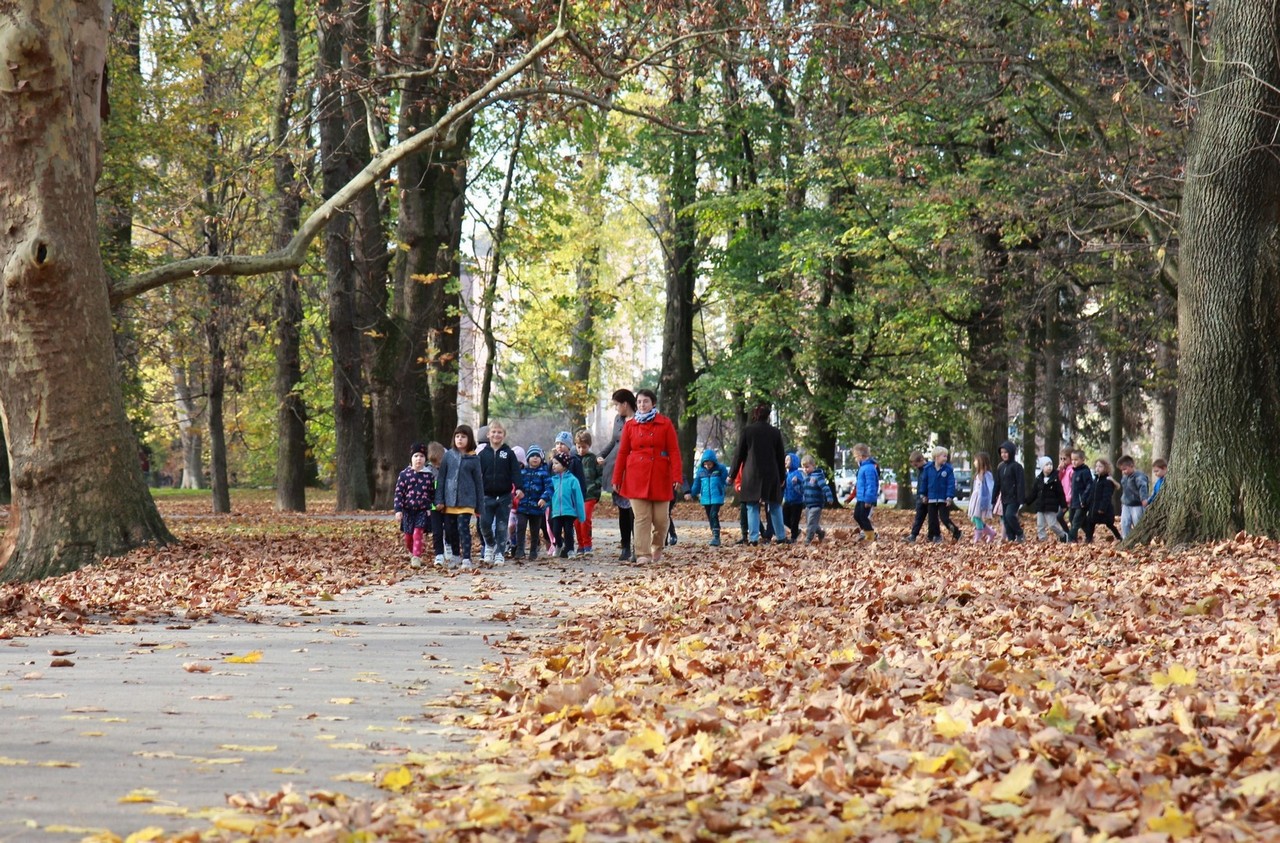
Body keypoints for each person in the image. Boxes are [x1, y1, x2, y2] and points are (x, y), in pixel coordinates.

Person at [611, 388, 683, 564]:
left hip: (660, 476)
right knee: (642, 518)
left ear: (653, 403)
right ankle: (643, 553)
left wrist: (677, 476)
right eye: (639, 402)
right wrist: (617, 478)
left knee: (661, 520)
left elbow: (674, 451)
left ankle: (657, 546)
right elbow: (622, 453)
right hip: (636, 476)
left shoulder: (665, 423)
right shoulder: (630, 425)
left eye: (646, 401)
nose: (642, 405)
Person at [729, 402, 788, 546]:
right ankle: (781, 537)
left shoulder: (747, 431)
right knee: (774, 505)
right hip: (771, 473)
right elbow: (781, 457)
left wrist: (732, 474)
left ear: (755, 415)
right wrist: (782, 476)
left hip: (751, 473)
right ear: (768, 416)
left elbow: (739, 455)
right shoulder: (775, 432)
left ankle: (753, 538)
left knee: (752, 506)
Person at [436, 425, 484, 570]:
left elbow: (478, 482)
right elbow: (441, 478)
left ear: (469, 439)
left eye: (463, 437)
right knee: (451, 530)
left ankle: (467, 558)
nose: (460, 439)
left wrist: (480, 506)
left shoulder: (474, 458)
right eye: (457, 436)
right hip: (450, 500)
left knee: (463, 528)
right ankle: (455, 555)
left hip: (467, 501)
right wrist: (439, 500)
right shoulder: (448, 456)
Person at [598, 389, 637, 560]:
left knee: (635, 510)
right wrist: (601, 455)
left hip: (633, 469)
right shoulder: (618, 420)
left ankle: (638, 547)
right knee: (623, 510)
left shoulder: (639, 419)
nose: (616, 408)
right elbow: (614, 442)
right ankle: (625, 546)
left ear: (625, 404)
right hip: (616, 468)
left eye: (617, 405)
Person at [477, 420, 517, 566]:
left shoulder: (509, 453)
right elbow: (476, 474)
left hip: (504, 496)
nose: (496, 435)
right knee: (484, 524)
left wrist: (519, 488)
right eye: (493, 432)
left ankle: (500, 553)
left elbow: (515, 472)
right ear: (488, 434)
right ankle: (490, 545)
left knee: (501, 526)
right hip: (486, 496)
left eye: (499, 432)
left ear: (504, 435)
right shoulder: (482, 454)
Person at [393, 442, 435, 569]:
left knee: (418, 533)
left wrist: (430, 507)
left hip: (422, 510)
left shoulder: (429, 475)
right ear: (411, 458)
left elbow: (432, 493)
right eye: (416, 456)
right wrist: (398, 510)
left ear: (425, 459)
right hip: (408, 510)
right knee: (408, 536)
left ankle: (416, 557)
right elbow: (399, 493)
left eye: (422, 456)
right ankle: (413, 552)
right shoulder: (404, 475)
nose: (419, 459)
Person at [513, 446, 551, 560]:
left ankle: (533, 550)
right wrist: (517, 492)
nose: (535, 458)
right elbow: (517, 485)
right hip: (522, 506)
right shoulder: (522, 472)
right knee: (521, 527)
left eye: (537, 456)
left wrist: (544, 498)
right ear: (528, 458)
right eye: (532, 456)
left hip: (537, 507)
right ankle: (520, 549)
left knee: (535, 530)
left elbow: (549, 488)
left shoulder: (543, 473)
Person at [548, 453, 586, 558]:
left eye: (556, 463)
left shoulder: (572, 480)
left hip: (569, 511)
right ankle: (559, 545)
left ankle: (570, 550)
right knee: (556, 531)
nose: (553, 466)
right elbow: (548, 495)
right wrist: (544, 503)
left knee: (568, 531)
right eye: (553, 463)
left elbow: (578, 498)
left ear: (564, 465)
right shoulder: (552, 480)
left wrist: (581, 514)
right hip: (556, 511)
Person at [920, 446, 962, 543]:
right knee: (932, 519)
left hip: (943, 498)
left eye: (946, 456)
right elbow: (924, 482)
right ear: (937, 457)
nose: (945, 458)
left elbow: (950, 484)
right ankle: (934, 535)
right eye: (944, 456)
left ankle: (956, 532)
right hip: (931, 498)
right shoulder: (928, 469)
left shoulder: (948, 470)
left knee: (944, 518)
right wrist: (923, 494)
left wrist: (949, 497)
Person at [688, 448, 729, 546]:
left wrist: (728, 481)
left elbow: (726, 480)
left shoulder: (720, 469)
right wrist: (691, 493)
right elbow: (697, 484)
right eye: (706, 464)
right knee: (710, 516)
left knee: (713, 514)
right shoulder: (701, 471)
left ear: (714, 462)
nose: (707, 466)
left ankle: (716, 536)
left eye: (709, 464)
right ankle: (714, 533)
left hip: (717, 497)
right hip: (706, 498)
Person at [1026, 456, 1068, 541]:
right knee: (1040, 525)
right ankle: (1043, 539)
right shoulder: (1039, 479)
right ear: (1042, 467)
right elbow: (1034, 492)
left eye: (1051, 464)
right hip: (1040, 506)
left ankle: (1063, 535)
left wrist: (1063, 505)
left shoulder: (1055, 479)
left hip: (1050, 506)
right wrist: (1027, 501)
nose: (1049, 466)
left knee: (1052, 524)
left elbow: (1060, 493)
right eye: (1047, 465)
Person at [574, 431, 602, 556]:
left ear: (589, 446)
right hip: (576, 495)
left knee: (585, 519)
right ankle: (580, 545)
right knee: (576, 521)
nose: (581, 450)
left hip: (590, 494)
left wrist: (595, 485)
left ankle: (587, 545)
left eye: (584, 447)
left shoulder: (593, 459)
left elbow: (600, 475)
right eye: (579, 447)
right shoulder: (573, 460)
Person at [993, 440, 1025, 542]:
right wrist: (994, 497)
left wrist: (1021, 499)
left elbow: (1020, 483)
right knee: (1006, 520)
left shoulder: (1017, 467)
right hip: (1004, 497)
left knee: (1010, 515)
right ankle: (1011, 538)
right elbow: (997, 483)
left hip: (1014, 498)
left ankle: (1020, 533)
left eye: (1006, 452)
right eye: (1002, 452)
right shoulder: (1001, 467)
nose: (1004, 454)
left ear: (1011, 452)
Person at [1087, 458, 1122, 542]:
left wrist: (1102, 508)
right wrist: (1088, 503)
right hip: (1094, 507)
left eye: (1100, 466)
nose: (1097, 468)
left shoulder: (1107, 481)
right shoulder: (1095, 480)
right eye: (1096, 466)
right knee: (1091, 523)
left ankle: (1119, 537)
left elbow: (1107, 496)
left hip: (1104, 508)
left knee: (1109, 524)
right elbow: (1092, 493)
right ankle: (1089, 539)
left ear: (1106, 468)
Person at [801, 454, 834, 543]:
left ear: (813, 466)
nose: (805, 469)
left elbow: (825, 487)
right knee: (811, 522)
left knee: (811, 522)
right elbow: (802, 490)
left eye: (807, 467)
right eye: (803, 467)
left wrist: (829, 497)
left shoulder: (817, 477)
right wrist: (795, 484)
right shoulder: (805, 479)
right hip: (808, 505)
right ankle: (820, 532)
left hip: (816, 504)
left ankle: (808, 539)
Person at [850, 443, 880, 542]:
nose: (855, 459)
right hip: (861, 497)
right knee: (857, 515)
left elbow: (871, 485)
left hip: (866, 498)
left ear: (861, 456)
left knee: (863, 516)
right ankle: (868, 532)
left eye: (855, 457)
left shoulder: (869, 468)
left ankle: (870, 535)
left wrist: (868, 500)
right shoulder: (862, 468)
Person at [966, 451, 996, 542]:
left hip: (982, 499)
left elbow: (990, 487)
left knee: (977, 517)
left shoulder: (987, 475)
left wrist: (990, 500)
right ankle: (991, 532)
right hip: (976, 498)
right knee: (974, 518)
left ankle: (978, 537)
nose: (974, 462)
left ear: (981, 462)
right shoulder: (977, 474)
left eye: (975, 460)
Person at [1117, 455, 1149, 538]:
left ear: (1131, 466)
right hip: (1126, 504)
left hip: (1137, 504)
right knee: (1124, 523)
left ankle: (1140, 538)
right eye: (1122, 470)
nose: (1123, 472)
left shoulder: (1139, 476)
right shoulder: (1125, 478)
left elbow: (1143, 487)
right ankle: (1125, 538)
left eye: (1125, 469)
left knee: (1137, 522)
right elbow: (1124, 490)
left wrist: (1144, 499)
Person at [901, 450, 929, 542]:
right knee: (918, 518)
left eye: (916, 465)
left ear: (921, 460)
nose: (916, 467)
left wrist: (925, 495)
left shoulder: (928, 469)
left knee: (932, 519)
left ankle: (932, 535)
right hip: (920, 497)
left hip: (927, 497)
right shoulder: (920, 470)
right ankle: (913, 535)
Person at [1067, 450, 1094, 542]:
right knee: (1072, 519)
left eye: (1076, 460)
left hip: (1082, 501)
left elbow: (1089, 486)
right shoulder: (1075, 472)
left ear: (1082, 460)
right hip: (1074, 501)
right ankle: (1089, 534)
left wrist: (1084, 498)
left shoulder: (1085, 472)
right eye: (1072, 460)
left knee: (1076, 521)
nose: (1074, 462)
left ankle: (1071, 539)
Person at [782, 453, 805, 543]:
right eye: (785, 459)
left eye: (788, 460)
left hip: (797, 502)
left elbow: (803, 485)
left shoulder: (797, 474)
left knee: (794, 520)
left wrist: (797, 481)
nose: (785, 461)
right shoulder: (786, 474)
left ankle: (793, 537)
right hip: (787, 500)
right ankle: (796, 531)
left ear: (794, 462)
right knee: (784, 518)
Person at [1056, 448, 1075, 533]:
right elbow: (1058, 479)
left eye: (1065, 459)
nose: (1062, 461)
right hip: (1063, 498)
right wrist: (1059, 470)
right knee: (1059, 517)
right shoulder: (1064, 470)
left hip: (1070, 498)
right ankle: (1067, 533)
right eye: (1061, 459)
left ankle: (1072, 535)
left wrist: (1070, 497)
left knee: (1072, 518)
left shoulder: (1072, 470)